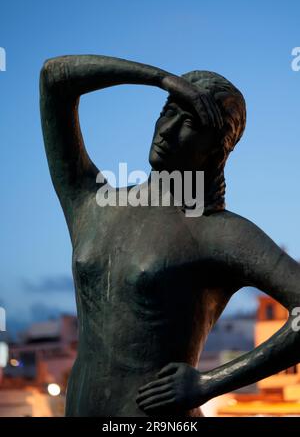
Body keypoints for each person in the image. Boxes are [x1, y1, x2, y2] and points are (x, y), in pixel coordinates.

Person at [40, 55, 300, 417]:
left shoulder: (217, 233)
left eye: (189, 121)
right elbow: (55, 77)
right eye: (168, 111)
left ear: (216, 148)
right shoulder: (93, 204)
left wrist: (208, 383)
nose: (167, 129)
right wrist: (161, 79)